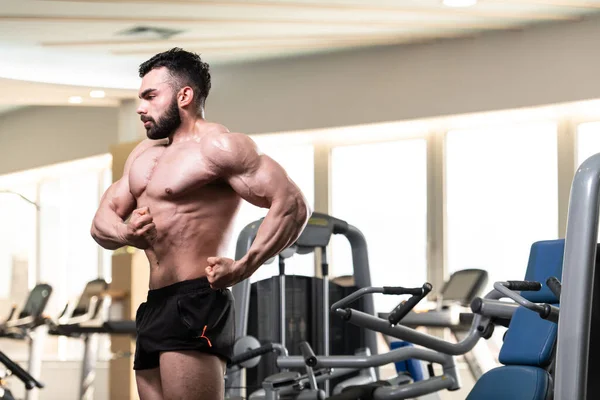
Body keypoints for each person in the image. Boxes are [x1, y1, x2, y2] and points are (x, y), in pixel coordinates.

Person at [90, 47, 311, 400]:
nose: (140, 107)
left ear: (185, 95)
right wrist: (126, 233)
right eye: (140, 98)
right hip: (155, 303)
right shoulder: (143, 155)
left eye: (150, 96)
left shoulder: (219, 148)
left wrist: (243, 267)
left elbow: (293, 204)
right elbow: (102, 220)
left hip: (196, 300)